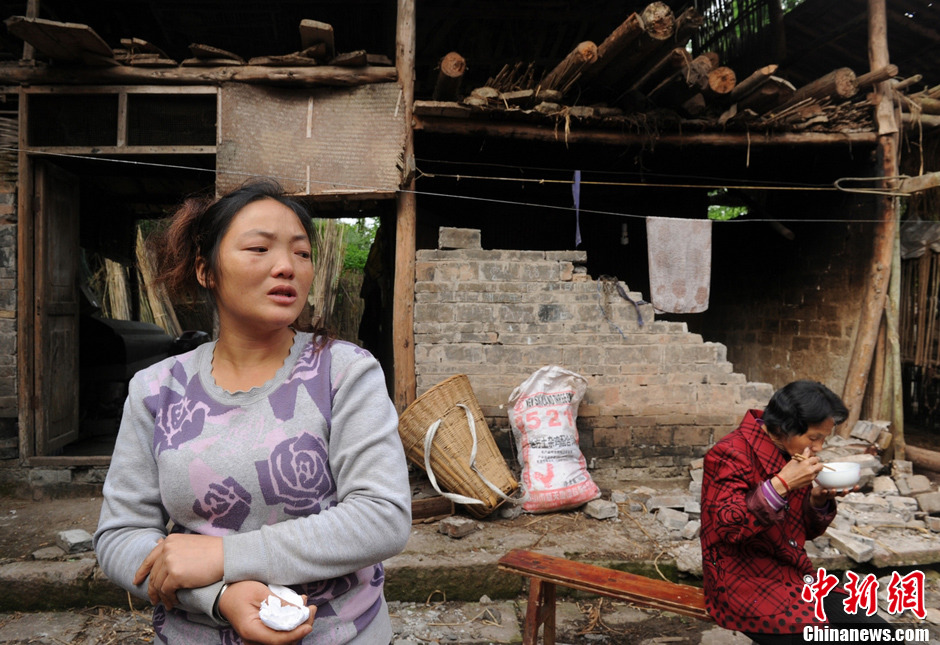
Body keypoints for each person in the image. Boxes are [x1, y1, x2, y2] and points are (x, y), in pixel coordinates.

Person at [94, 178, 412, 645]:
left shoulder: (344, 373)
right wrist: (218, 594)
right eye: (259, 249)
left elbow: (381, 516)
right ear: (206, 270)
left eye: (301, 253)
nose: (287, 267)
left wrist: (225, 556)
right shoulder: (155, 390)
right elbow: (120, 536)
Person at [700, 380, 899, 644]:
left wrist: (816, 502)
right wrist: (781, 484)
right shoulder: (729, 454)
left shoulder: (791, 454)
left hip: (793, 576)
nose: (818, 448)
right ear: (784, 429)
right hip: (743, 585)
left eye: (823, 439)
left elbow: (802, 533)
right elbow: (729, 528)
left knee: (886, 636)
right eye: (813, 438)